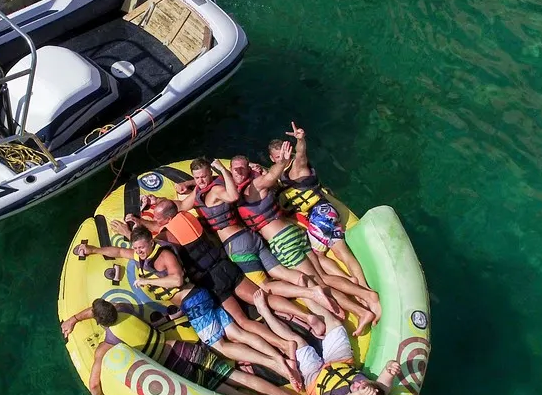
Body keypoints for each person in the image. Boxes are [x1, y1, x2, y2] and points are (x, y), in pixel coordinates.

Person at [71, 228, 304, 389]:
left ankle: (276, 364)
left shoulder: (162, 256)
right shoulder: (142, 255)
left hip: (193, 301)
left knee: (221, 346)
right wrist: (92, 250)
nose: (139, 252)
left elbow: (177, 280)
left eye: (142, 247)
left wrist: (148, 281)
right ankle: (280, 353)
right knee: (238, 333)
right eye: (137, 248)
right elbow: (120, 252)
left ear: (151, 242)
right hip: (199, 299)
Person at [118, 195, 332, 346]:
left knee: (242, 321)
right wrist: (146, 214)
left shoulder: (168, 235)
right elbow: (162, 222)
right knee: (261, 295)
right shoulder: (189, 217)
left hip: (211, 280)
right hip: (225, 265)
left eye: (157, 218)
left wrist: (130, 231)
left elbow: (147, 244)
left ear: (165, 219)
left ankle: (286, 343)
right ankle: (307, 316)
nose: (155, 222)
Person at [60, 299, 313, 395]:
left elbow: (95, 381)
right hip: (185, 349)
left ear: (102, 323)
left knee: (234, 393)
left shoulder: (108, 346)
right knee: (239, 378)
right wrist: (75, 318)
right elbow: (99, 310)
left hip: (177, 369)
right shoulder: (125, 309)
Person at [233, 148, 379, 333]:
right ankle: (363, 297)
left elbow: (270, 177)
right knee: (322, 278)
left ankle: (362, 305)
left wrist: (282, 161)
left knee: (318, 284)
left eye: (241, 169)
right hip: (293, 233)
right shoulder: (262, 187)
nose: (238, 172)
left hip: (282, 241)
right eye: (235, 169)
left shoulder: (254, 187)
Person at [254, 294, 400, 395]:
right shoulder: (378, 393)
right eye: (364, 383)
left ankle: (264, 312)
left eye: (358, 388)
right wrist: (390, 366)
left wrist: (358, 394)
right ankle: (304, 294)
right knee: (335, 325)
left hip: (316, 379)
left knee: (296, 341)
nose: (359, 383)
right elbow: (385, 380)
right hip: (342, 363)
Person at [269, 122, 375, 292]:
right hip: (327, 211)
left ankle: (351, 282)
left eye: (285, 152)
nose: (283, 157)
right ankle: (363, 285)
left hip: (319, 214)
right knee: (343, 252)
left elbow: (302, 155)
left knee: (316, 255)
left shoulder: (296, 167)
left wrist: (301, 140)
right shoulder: (279, 175)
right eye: (278, 156)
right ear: (272, 159)